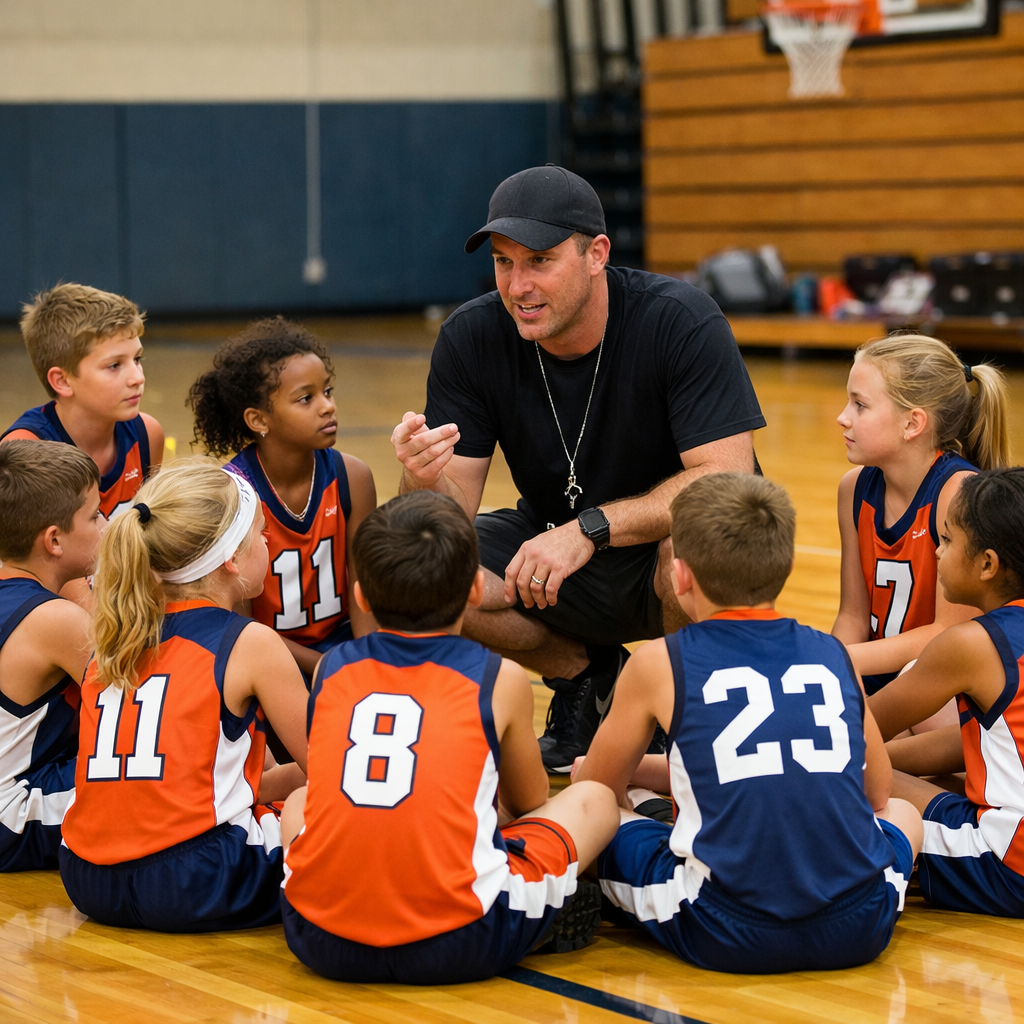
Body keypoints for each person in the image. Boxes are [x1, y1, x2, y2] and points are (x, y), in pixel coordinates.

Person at [391, 165, 766, 771]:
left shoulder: (679, 321)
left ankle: (681, 713)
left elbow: (726, 481)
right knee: (422, 577)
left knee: (692, 533)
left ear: (596, 254)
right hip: (554, 552)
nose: (518, 285)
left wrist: (587, 530)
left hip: (665, 558)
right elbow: (445, 520)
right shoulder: (473, 337)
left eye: (539, 260)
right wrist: (419, 478)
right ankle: (587, 680)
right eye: (503, 262)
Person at [575, 472, 922, 973]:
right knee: (904, 818)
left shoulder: (657, 662)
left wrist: (618, 782)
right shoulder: (833, 653)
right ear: (785, 566)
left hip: (726, 927)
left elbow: (597, 793)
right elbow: (877, 792)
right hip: (859, 925)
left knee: (595, 813)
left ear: (680, 576)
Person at [279, 491, 619, 984]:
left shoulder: (331, 668)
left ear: (362, 598)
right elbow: (530, 799)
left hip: (319, 938)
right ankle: (537, 908)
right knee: (593, 801)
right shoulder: (496, 677)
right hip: (460, 940)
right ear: (477, 592)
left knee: (301, 801)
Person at [60, 459, 309, 932]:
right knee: (322, 807)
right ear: (231, 559)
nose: (268, 541)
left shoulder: (114, 637)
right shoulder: (249, 642)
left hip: (87, 877)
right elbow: (333, 771)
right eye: (260, 533)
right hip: (196, 879)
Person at [869, 468, 1024, 917]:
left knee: (831, 775)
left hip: (1006, 864)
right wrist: (893, 763)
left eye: (948, 540)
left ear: (988, 564)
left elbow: (847, 736)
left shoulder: (969, 644)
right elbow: (975, 744)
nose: (937, 551)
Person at [189, 318, 376, 678]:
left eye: (328, 391)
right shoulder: (232, 496)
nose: (327, 406)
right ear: (258, 419)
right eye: (306, 398)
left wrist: (364, 661)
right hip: (264, 659)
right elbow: (239, 624)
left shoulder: (353, 477)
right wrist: (324, 666)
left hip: (342, 649)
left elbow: (362, 589)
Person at [832, 334, 1010, 702]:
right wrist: (828, 675)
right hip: (878, 673)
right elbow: (852, 616)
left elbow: (945, 633)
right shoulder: (853, 489)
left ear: (912, 423)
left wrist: (835, 659)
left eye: (860, 405)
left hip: (944, 682)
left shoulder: (958, 493)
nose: (842, 417)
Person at [0, 441, 102, 871]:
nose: (107, 525)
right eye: (95, 515)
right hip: (13, 816)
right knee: (147, 775)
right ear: (54, 540)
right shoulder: (55, 619)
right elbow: (151, 706)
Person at [2, 283, 164, 521]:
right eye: (114, 365)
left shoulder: (147, 434)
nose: (138, 377)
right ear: (63, 381)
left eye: (137, 359)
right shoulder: (23, 455)